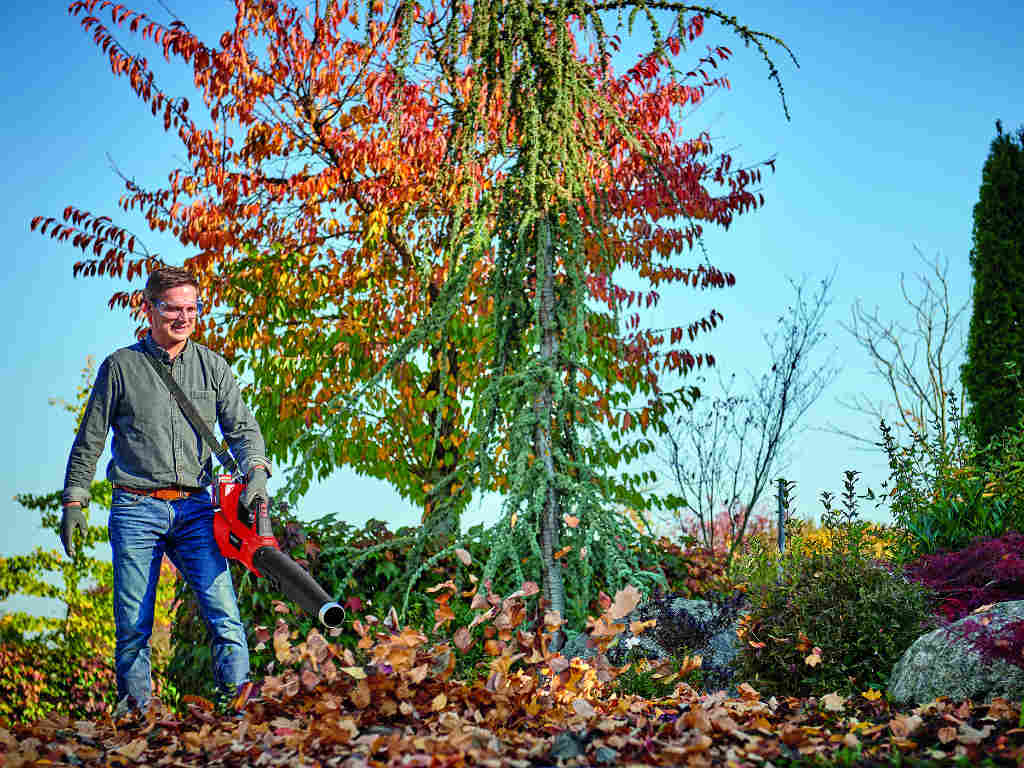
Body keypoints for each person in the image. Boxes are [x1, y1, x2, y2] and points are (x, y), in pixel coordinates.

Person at [60, 266, 272, 718]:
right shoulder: (120, 367)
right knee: (134, 623)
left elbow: (243, 430)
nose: (183, 317)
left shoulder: (212, 366)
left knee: (225, 617)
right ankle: (138, 716)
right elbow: (90, 440)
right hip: (136, 507)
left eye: (191, 308)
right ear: (148, 308)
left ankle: (238, 715)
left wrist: (256, 471)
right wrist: (74, 500)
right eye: (172, 308)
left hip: (197, 509)